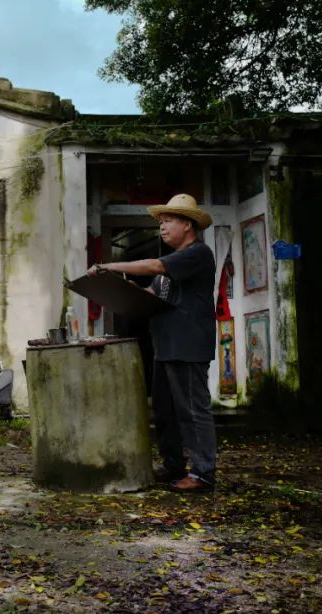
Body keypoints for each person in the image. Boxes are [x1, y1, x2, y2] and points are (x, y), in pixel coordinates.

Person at [87, 193, 217, 493]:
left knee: (192, 410)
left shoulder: (198, 253)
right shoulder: (171, 266)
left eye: (168, 220)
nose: (162, 227)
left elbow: (155, 267)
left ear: (187, 225)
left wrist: (111, 266)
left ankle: (203, 473)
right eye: (160, 222)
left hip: (188, 344)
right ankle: (173, 464)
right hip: (165, 344)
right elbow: (154, 295)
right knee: (165, 410)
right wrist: (119, 287)